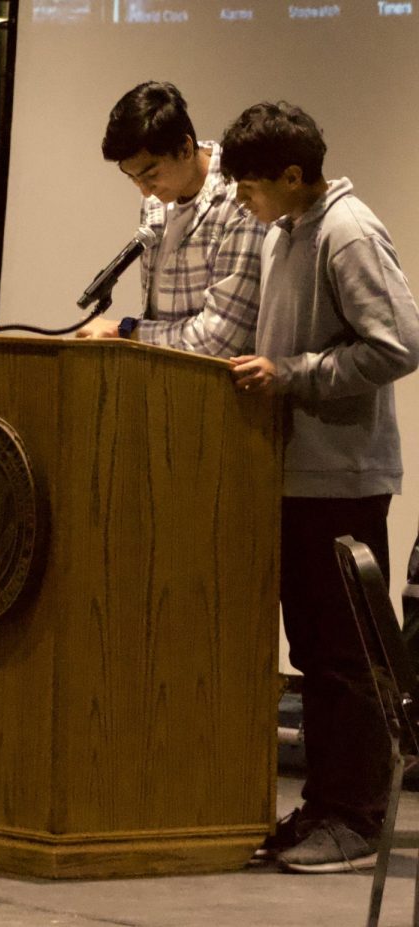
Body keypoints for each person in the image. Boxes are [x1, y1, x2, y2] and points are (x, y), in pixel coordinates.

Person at [222, 102, 419, 873]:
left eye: (250, 186)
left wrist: (294, 374)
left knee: (344, 655)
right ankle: (324, 804)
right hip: (295, 477)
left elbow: (397, 344)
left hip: (343, 479)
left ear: (294, 175)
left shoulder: (348, 230)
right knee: (313, 649)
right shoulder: (286, 232)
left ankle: (359, 816)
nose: (243, 200)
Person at [76, 80, 264, 355]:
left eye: (151, 175)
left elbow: (219, 338)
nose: (144, 189)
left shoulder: (239, 200)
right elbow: (156, 313)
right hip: (163, 377)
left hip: (219, 387)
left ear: (186, 148)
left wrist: (123, 330)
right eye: (133, 178)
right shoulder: (155, 198)